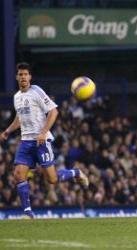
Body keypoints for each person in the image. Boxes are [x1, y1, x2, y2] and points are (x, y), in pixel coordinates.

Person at [0, 62, 89, 219]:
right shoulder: (17, 97)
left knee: (52, 179)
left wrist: (43, 132)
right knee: (19, 174)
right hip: (26, 141)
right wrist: (8, 131)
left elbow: (53, 112)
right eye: (20, 74)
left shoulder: (37, 91)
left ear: (30, 77)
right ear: (16, 77)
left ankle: (76, 172)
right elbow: (19, 118)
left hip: (41, 142)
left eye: (25, 74)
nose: (23, 77)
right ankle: (28, 213)